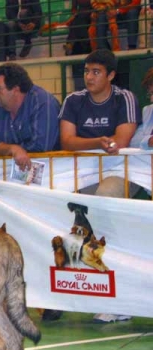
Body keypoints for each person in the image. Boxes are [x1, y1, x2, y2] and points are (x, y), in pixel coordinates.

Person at [59, 48, 140, 323]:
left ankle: (123, 296)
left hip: (119, 171)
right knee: (60, 206)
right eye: (86, 71)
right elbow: (67, 141)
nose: (89, 77)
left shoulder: (124, 98)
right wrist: (97, 142)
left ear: (111, 75)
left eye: (96, 72)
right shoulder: (73, 100)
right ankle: (71, 290)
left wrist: (103, 142)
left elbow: (121, 142)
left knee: (105, 200)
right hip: (82, 175)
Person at [0, 62, 60, 170]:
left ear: (15, 90)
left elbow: (41, 146)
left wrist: (7, 149)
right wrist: (12, 149)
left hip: (51, 175)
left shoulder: (43, 102)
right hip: (14, 176)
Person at [130, 67, 153, 148]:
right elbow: (133, 142)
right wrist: (149, 141)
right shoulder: (148, 110)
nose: (151, 99)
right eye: (150, 94)